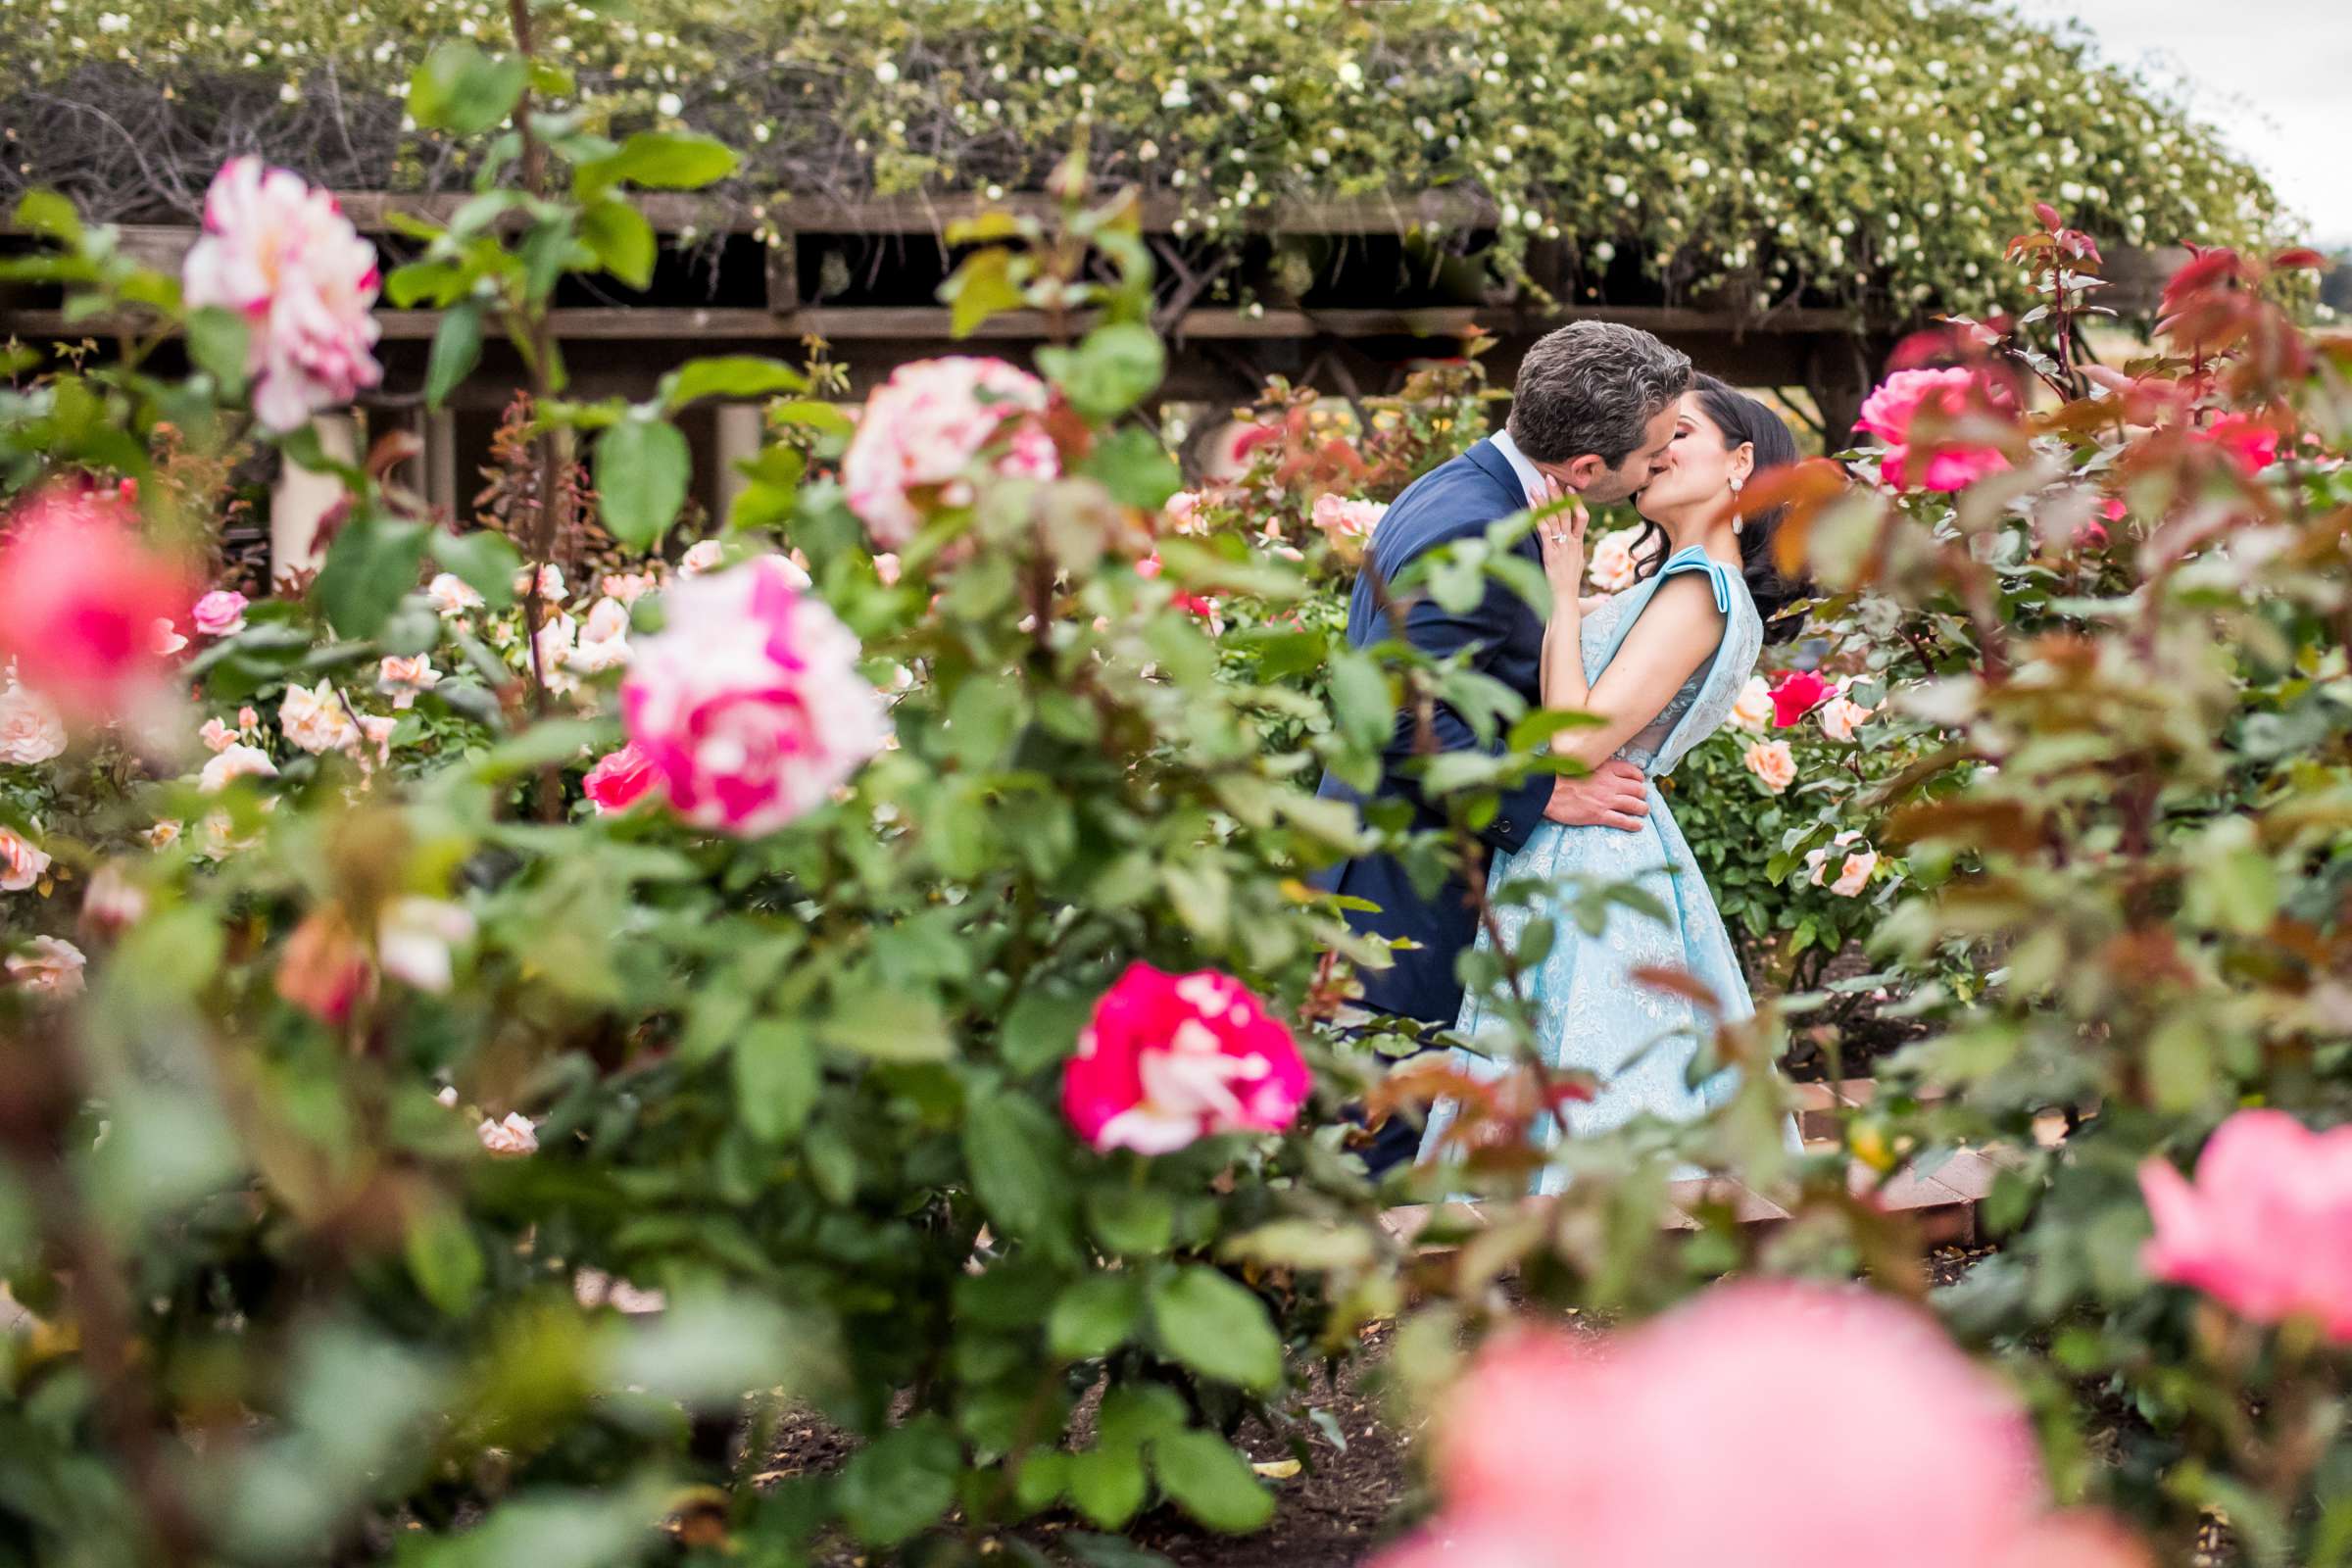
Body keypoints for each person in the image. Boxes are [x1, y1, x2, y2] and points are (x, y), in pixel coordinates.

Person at [1310, 320, 1693, 1174]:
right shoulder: (1476, 531)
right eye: (1656, 451)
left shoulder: (1472, 488)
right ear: (1589, 470)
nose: (1661, 465)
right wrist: (1542, 794)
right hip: (1401, 882)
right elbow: (1399, 714)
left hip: (1388, 857)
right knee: (1377, 1130)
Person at [1418, 374, 1810, 1191]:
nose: (1659, 452)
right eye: (1656, 440)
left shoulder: (1703, 587)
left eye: (1682, 436)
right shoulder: (1674, 586)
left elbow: (1574, 741)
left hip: (1595, 844)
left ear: (1742, 464)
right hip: (1584, 837)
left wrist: (1562, 594)